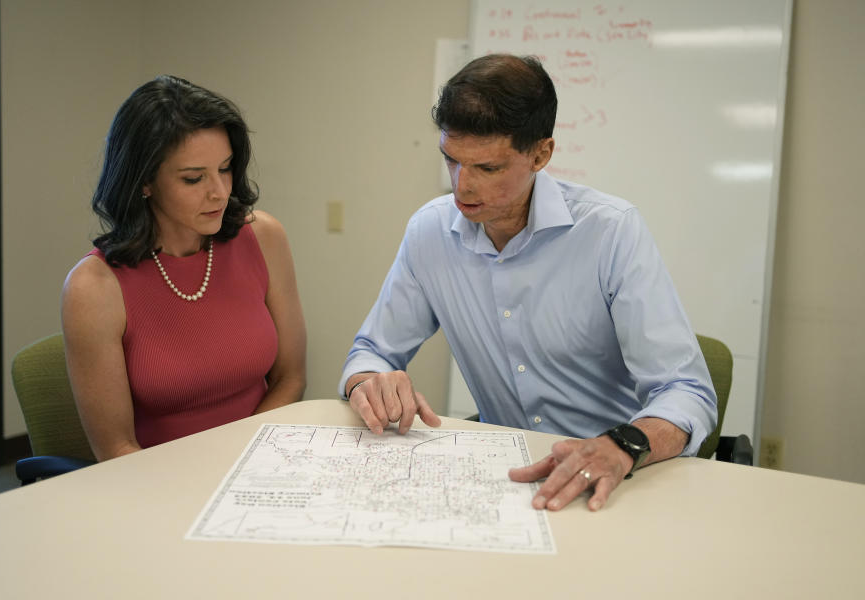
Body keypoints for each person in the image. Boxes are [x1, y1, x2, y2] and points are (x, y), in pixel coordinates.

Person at [339, 54, 717, 512]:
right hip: (510, 483)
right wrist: (369, 382)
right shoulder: (430, 233)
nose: (461, 186)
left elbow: (686, 391)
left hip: (617, 478)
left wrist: (621, 447)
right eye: (452, 161)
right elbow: (372, 351)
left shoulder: (610, 231)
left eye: (488, 168)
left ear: (541, 154)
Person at [62, 75, 306, 461]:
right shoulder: (93, 288)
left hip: (259, 464)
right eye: (194, 178)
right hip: (161, 489)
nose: (220, 192)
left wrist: (246, 462)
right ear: (144, 182)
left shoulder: (263, 238)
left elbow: (289, 378)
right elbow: (116, 450)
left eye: (225, 169)